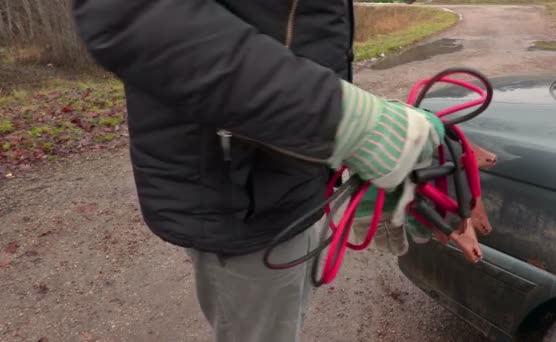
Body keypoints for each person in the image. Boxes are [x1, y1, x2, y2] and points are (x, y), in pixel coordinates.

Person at [71, 0, 445, 341]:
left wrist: (345, 138)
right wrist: (347, 122)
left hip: (297, 181)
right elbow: (129, 14)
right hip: (240, 192)